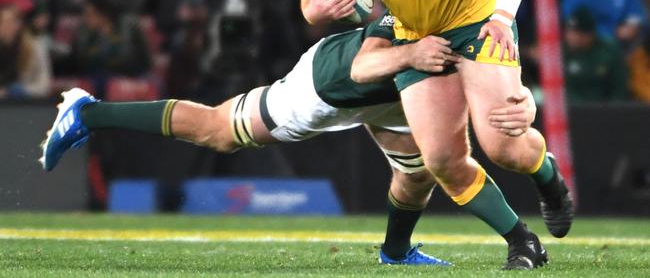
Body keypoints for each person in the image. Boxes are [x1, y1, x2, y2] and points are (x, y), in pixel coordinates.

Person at [41, 13, 537, 267]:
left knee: (419, 172)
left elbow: (499, 89)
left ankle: (396, 252)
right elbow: (367, 62)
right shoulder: (414, 6)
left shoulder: (478, 15)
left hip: (395, 95)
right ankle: (91, 111)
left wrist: (524, 102)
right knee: (219, 131)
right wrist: (412, 57)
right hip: (335, 87)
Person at [301, 0, 574, 270]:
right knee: (442, 160)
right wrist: (314, 9)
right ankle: (523, 242)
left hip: (478, 21)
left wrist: (502, 18)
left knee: (503, 145)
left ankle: (547, 175)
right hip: (416, 35)